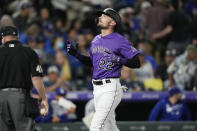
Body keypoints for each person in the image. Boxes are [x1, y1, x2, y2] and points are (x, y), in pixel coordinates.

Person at [66, 8, 141, 131]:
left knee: (96, 126)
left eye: (105, 16)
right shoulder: (96, 40)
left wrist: (118, 59)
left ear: (113, 23)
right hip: (97, 88)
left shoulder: (120, 40)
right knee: (109, 126)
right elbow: (94, 63)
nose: (100, 17)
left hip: (110, 88)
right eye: (101, 16)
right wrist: (77, 55)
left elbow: (137, 62)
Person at [0, 26, 48, 131]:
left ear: (3, 38)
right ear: (17, 37)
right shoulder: (28, 51)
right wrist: (43, 98)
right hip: (19, 97)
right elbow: (36, 78)